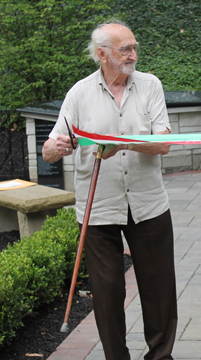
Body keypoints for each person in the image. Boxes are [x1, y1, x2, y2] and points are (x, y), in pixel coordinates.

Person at [42, 20, 177, 360]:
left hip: (148, 204)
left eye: (134, 47)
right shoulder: (79, 93)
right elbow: (51, 146)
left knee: (159, 289)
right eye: (125, 49)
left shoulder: (150, 86)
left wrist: (123, 144)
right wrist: (56, 148)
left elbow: (163, 144)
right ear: (102, 54)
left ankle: (161, 356)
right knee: (107, 291)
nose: (132, 55)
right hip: (98, 206)